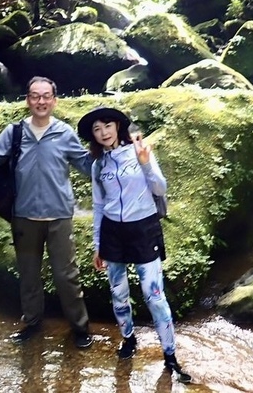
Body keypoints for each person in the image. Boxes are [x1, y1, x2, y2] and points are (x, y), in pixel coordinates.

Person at [0, 76, 94, 349]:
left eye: (46, 96)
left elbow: (88, 166)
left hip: (59, 216)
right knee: (28, 275)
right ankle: (33, 323)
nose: (41, 101)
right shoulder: (14, 133)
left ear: (54, 101)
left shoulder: (64, 133)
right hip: (24, 216)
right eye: (35, 96)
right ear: (28, 100)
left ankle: (80, 327)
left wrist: (111, 148)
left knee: (66, 276)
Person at [77, 107, 191, 383]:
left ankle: (170, 355)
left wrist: (146, 163)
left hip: (143, 229)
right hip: (113, 233)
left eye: (107, 126)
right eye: (97, 129)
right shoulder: (98, 165)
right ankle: (128, 339)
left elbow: (160, 189)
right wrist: (98, 245)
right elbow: (99, 206)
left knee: (154, 295)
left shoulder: (140, 152)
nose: (103, 133)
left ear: (118, 126)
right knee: (118, 293)